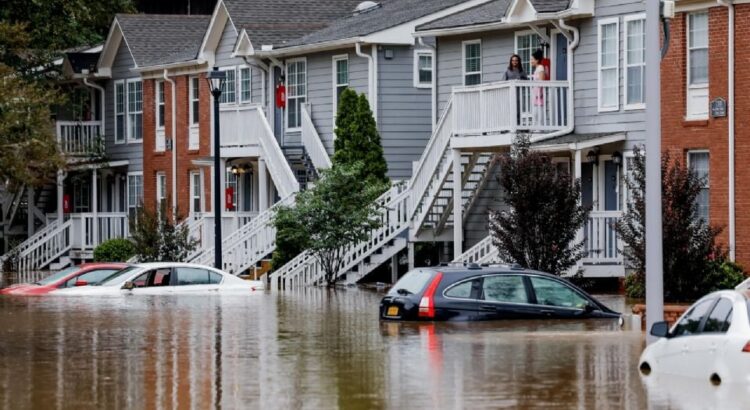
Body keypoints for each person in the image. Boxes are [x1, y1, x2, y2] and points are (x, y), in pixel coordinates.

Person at [530, 49, 547, 128]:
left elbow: (541, 81)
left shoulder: (540, 68)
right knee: (535, 113)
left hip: (539, 95)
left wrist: (539, 94)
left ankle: (540, 129)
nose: (531, 61)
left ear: (537, 60)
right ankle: (536, 128)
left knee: (539, 112)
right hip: (535, 95)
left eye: (532, 59)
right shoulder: (536, 69)